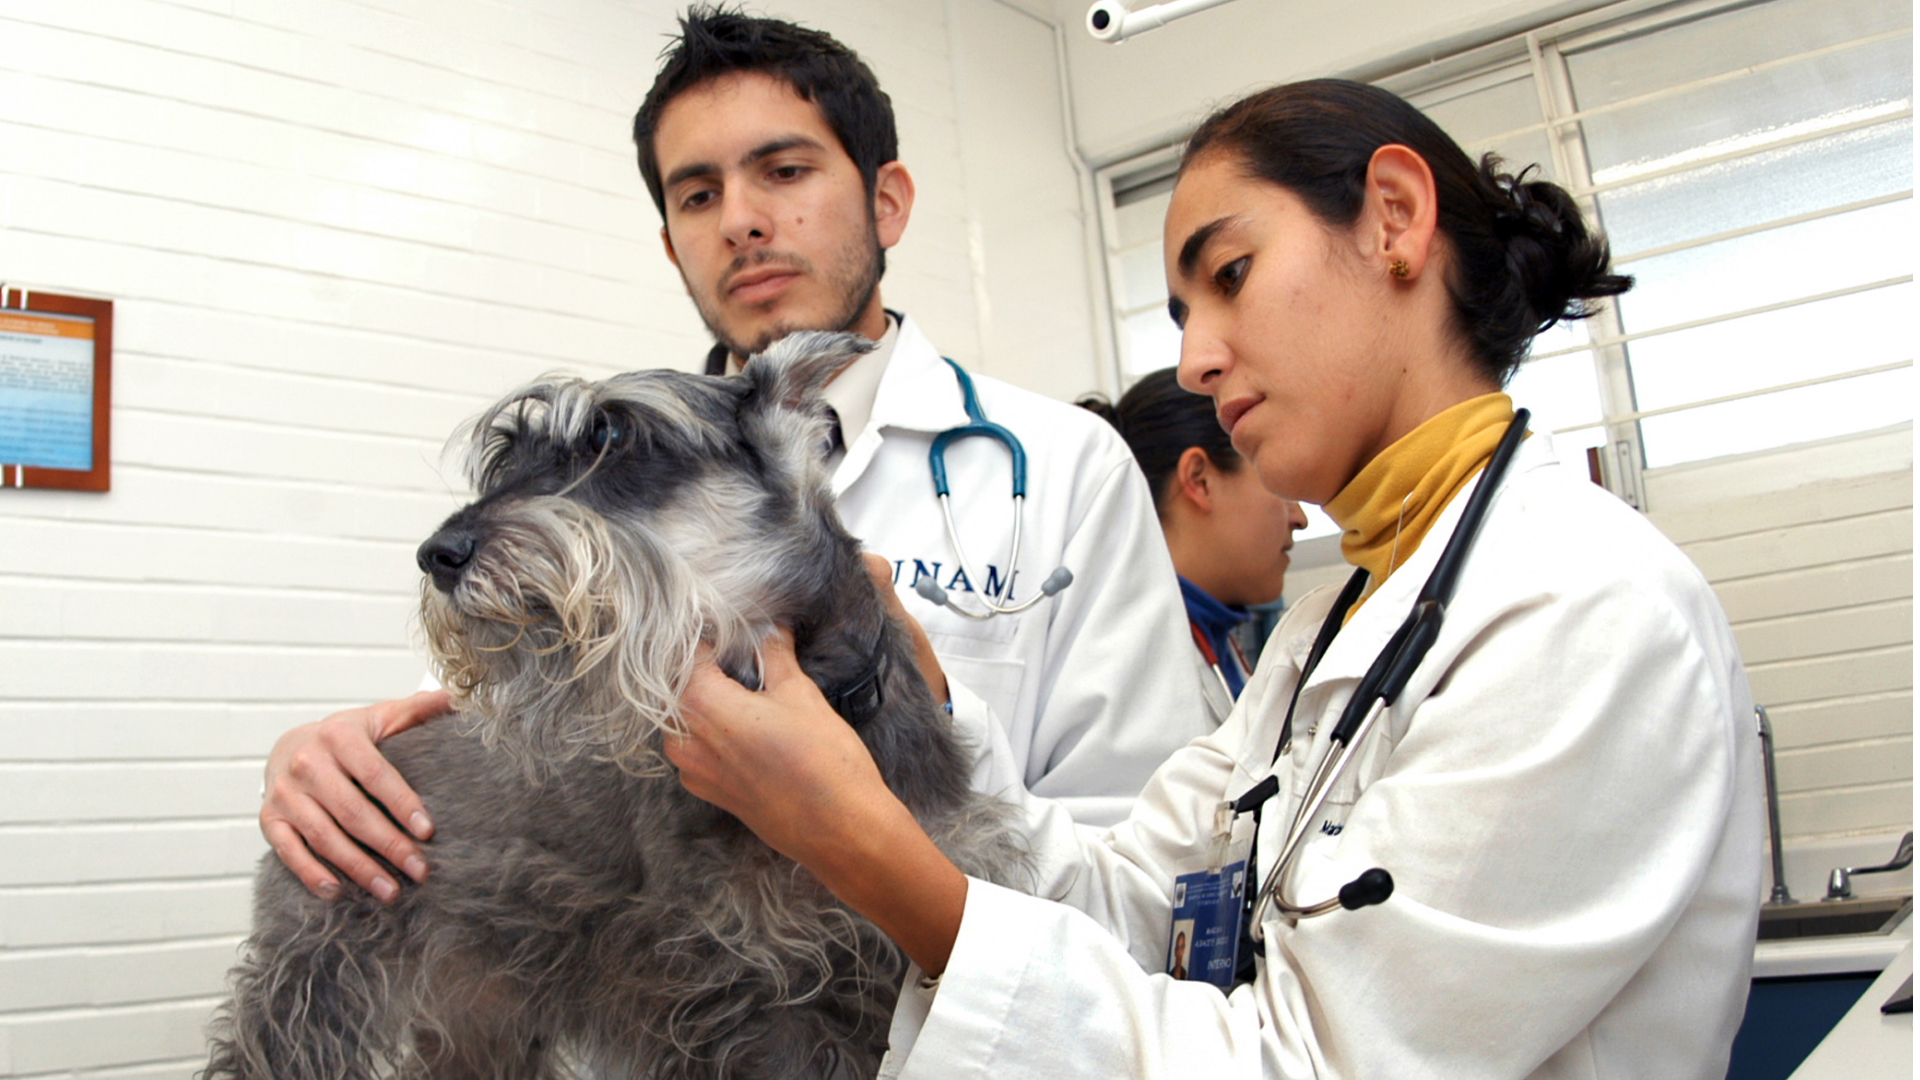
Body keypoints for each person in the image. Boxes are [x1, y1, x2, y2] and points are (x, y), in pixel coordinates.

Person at [669, 79, 1765, 1078]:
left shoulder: (1586, 608)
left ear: (1393, 217)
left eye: (1230, 277)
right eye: (1186, 315)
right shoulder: (1323, 636)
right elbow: (1125, 906)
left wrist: (859, 848)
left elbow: (1310, 1064)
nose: (1194, 361)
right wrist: (929, 706)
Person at [255, 7, 1213, 904]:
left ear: (887, 202)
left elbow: (1142, 857)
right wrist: (334, 753)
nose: (741, 221)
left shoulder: (1065, 466)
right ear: (673, 245)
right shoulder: (586, 481)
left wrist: (917, 716)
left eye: (785, 171)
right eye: (698, 194)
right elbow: (501, 718)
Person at [1081, 368, 1309, 709]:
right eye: (1277, 481)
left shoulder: (1213, 641)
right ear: (1200, 480)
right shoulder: (1127, 667)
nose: (1300, 518)